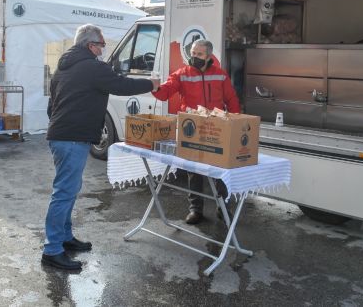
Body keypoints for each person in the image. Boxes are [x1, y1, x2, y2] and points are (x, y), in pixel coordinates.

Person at [43, 24, 159, 271]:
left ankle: (64, 237)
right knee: (64, 192)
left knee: (69, 189)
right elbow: (121, 85)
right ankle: (52, 251)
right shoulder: (93, 67)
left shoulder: (63, 66)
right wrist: (152, 84)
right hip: (72, 137)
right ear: (90, 45)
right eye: (101, 45)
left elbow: (51, 106)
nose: (103, 50)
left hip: (62, 135)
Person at [152, 39, 240, 225]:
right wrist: (153, 86)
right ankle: (195, 209)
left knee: (220, 169)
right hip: (192, 128)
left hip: (216, 127)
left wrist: (235, 122)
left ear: (208, 56)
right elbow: (165, 92)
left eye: (199, 54)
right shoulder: (182, 74)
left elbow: (231, 99)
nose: (194, 57)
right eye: (192, 53)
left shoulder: (220, 75)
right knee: (193, 170)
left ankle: (223, 207)